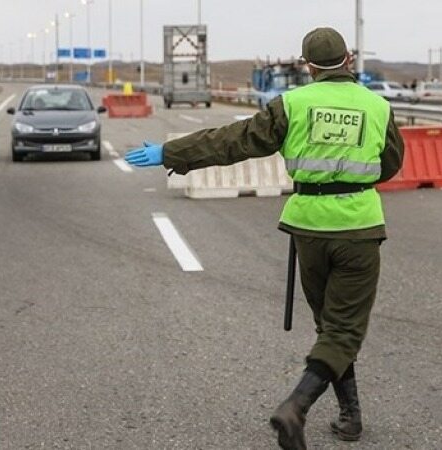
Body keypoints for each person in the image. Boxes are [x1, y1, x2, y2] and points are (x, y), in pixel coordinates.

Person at [125, 27, 404, 450]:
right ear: (349, 59)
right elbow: (390, 164)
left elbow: (233, 142)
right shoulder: (378, 107)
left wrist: (171, 153)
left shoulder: (291, 104)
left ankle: (351, 418)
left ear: (308, 66)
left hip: (309, 227)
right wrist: (352, 175)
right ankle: (295, 407)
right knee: (343, 330)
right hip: (359, 227)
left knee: (331, 326)